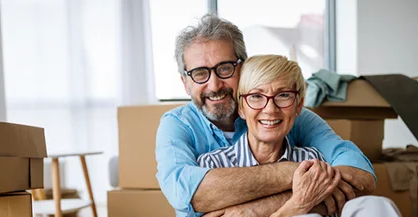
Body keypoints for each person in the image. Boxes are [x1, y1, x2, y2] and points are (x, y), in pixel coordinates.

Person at [155, 14, 376, 217]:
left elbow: (360, 176)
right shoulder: (177, 125)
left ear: (244, 69)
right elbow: (188, 195)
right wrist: (296, 174)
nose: (214, 85)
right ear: (185, 83)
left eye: (224, 68)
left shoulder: (289, 115)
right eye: (200, 73)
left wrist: (252, 211)